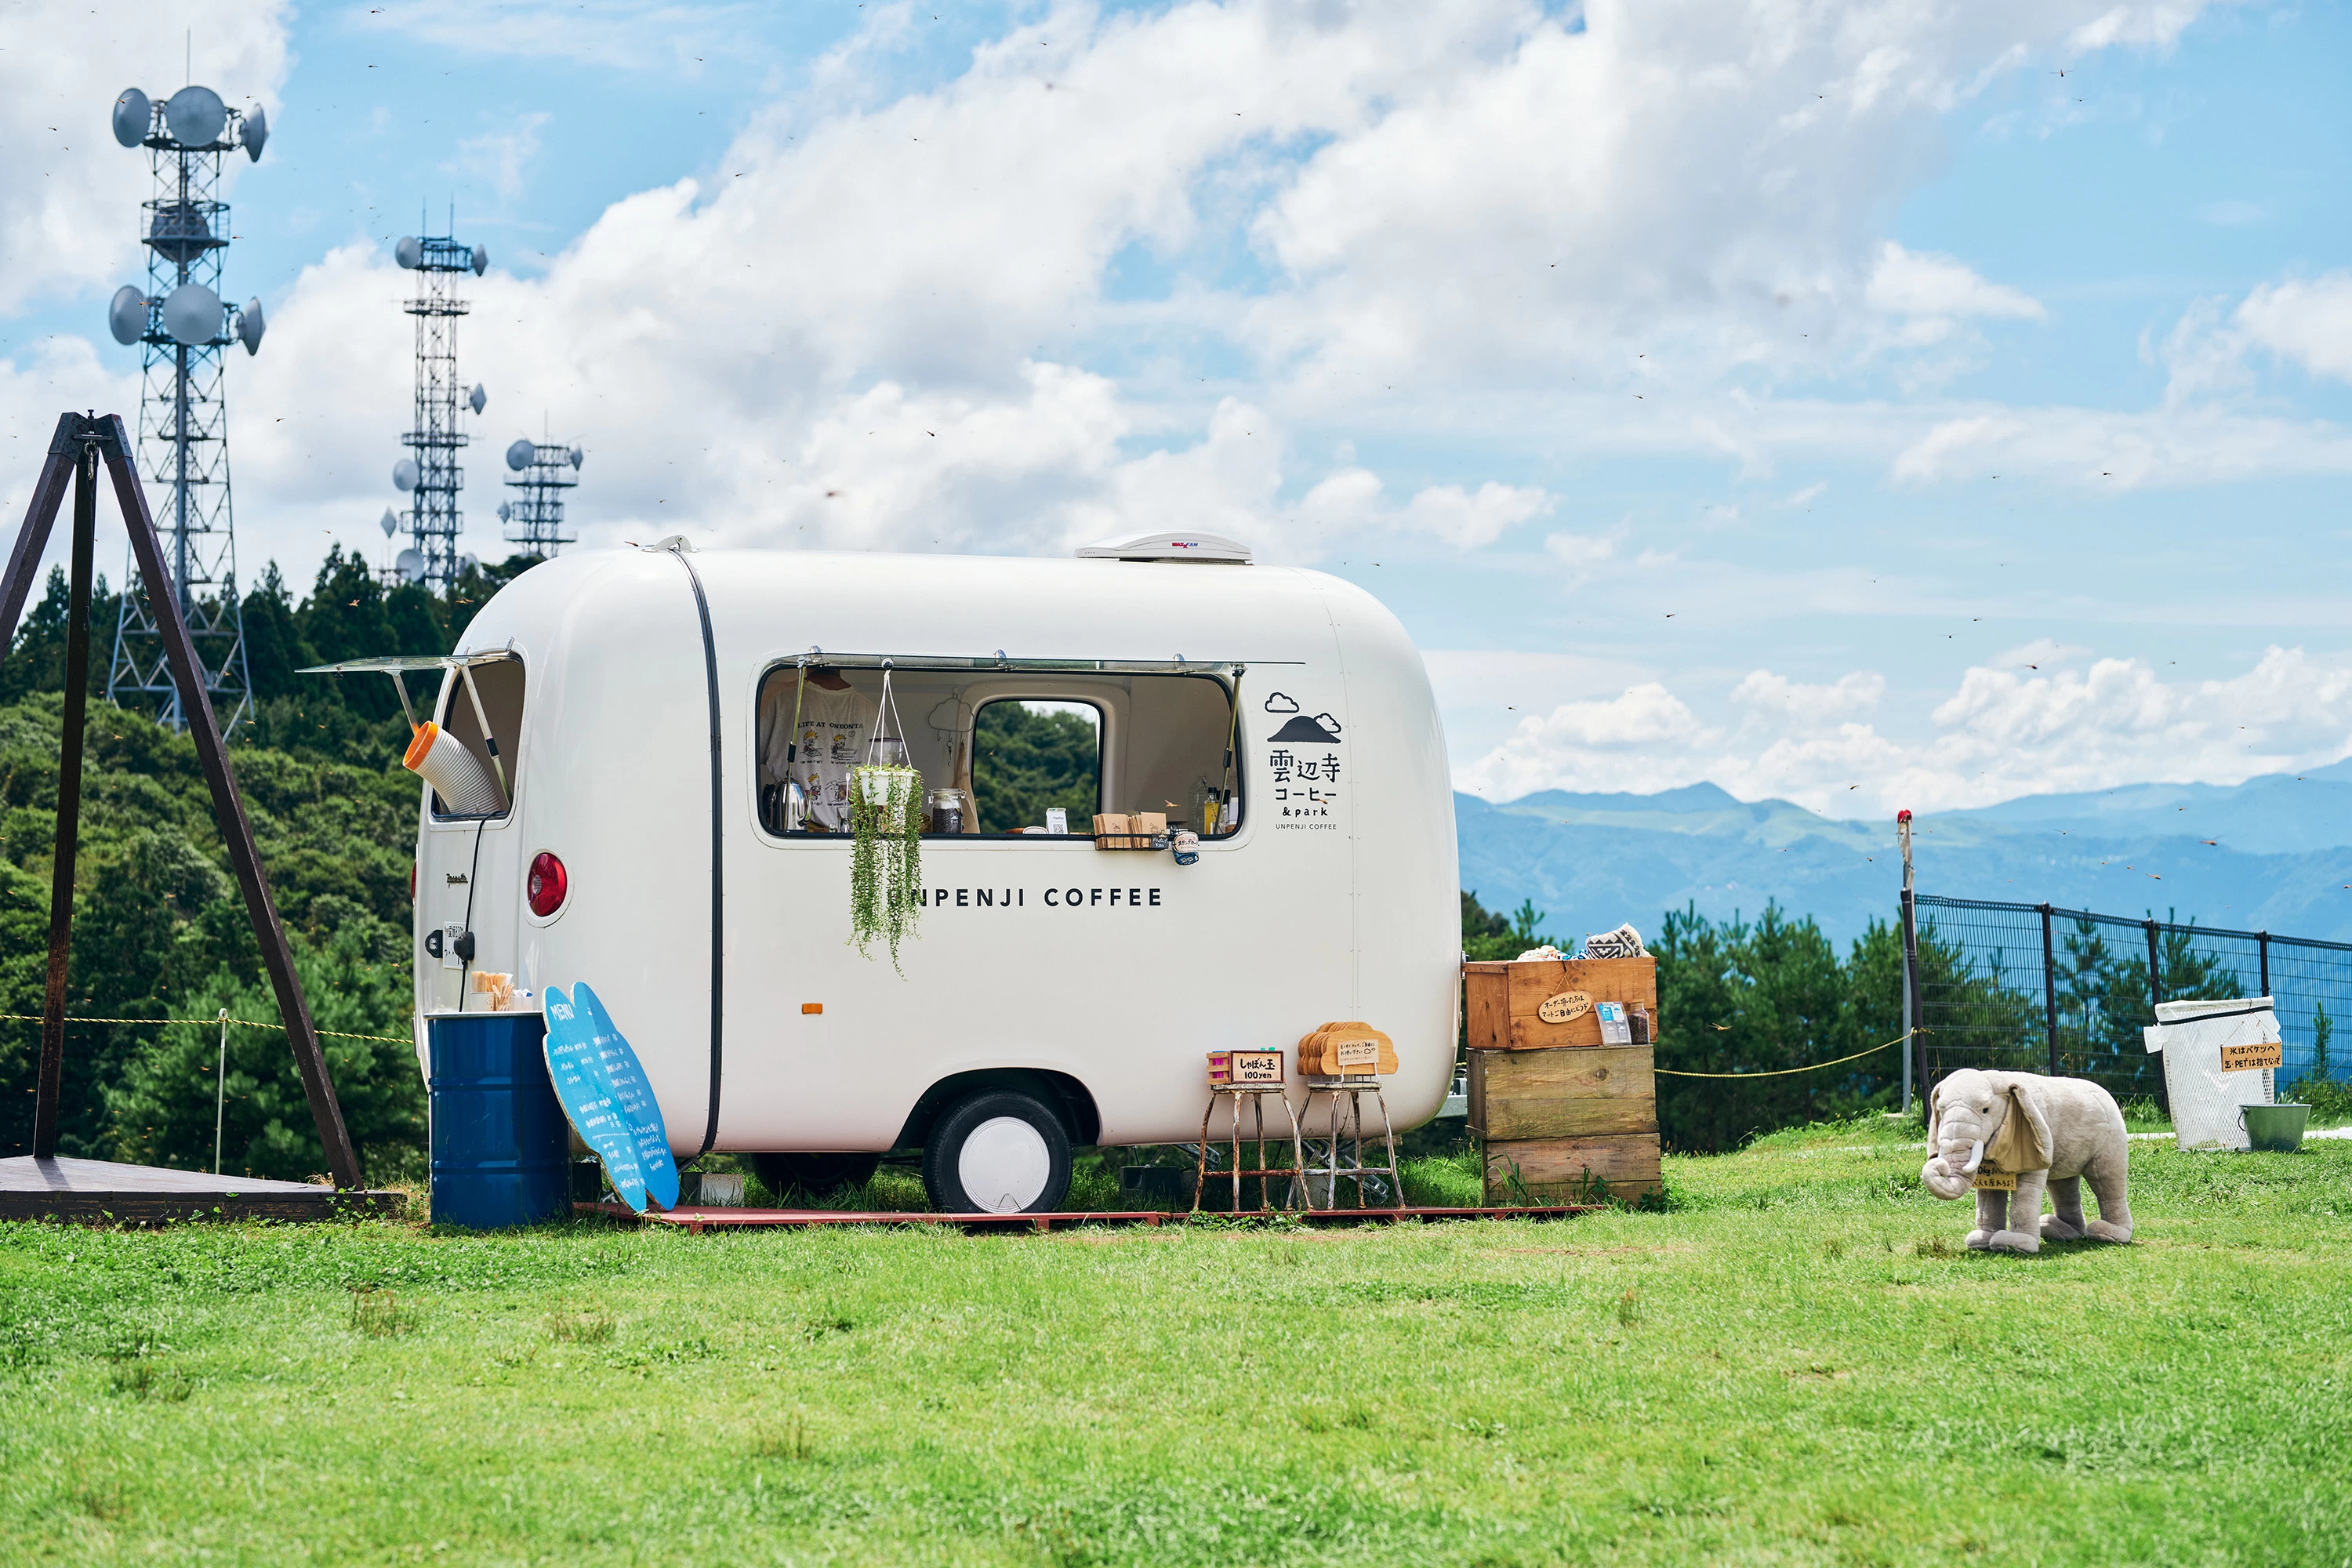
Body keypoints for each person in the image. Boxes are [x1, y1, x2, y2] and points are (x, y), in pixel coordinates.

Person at [757, 666, 876, 832]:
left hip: (796, 832)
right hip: (854, 835)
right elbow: (883, 768)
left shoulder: (782, 700)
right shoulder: (869, 709)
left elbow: (748, 758)